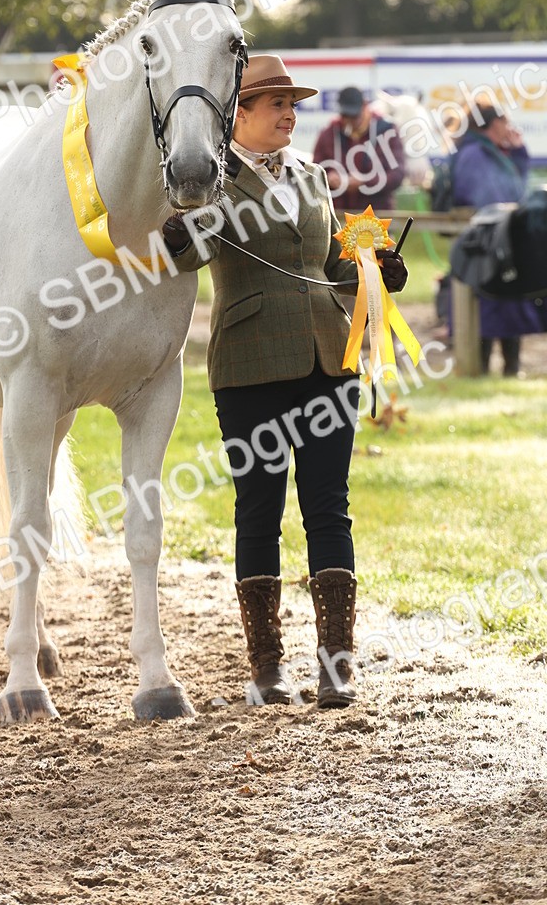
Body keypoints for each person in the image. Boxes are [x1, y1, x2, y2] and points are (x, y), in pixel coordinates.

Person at [162, 55, 408, 708]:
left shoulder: (312, 175)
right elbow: (190, 249)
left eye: (292, 103)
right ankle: (266, 669)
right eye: (275, 103)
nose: (289, 113)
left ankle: (336, 667)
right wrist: (178, 237)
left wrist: (375, 272)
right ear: (238, 114)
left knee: (329, 508)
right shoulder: (211, 182)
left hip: (330, 361)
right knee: (259, 513)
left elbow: (329, 262)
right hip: (249, 370)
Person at [451, 103, 540, 376]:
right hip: (485, 245)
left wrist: (519, 153)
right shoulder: (475, 154)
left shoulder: (492, 152)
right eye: (504, 122)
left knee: (507, 303)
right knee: (489, 306)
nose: (509, 127)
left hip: (501, 242)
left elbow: (518, 190)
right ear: (491, 125)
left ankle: (509, 369)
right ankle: (481, 369)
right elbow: (492, 197)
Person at [312, 86, 405, 212]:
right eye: (346, 116)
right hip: (338, 215)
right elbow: (314, 172)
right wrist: (327, 178)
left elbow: (397, 175)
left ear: (365, 106)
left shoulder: (387, 131)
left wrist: (365, 182)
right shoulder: (328, 133)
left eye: (354, 116)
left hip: (377, 216)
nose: (350, 121)